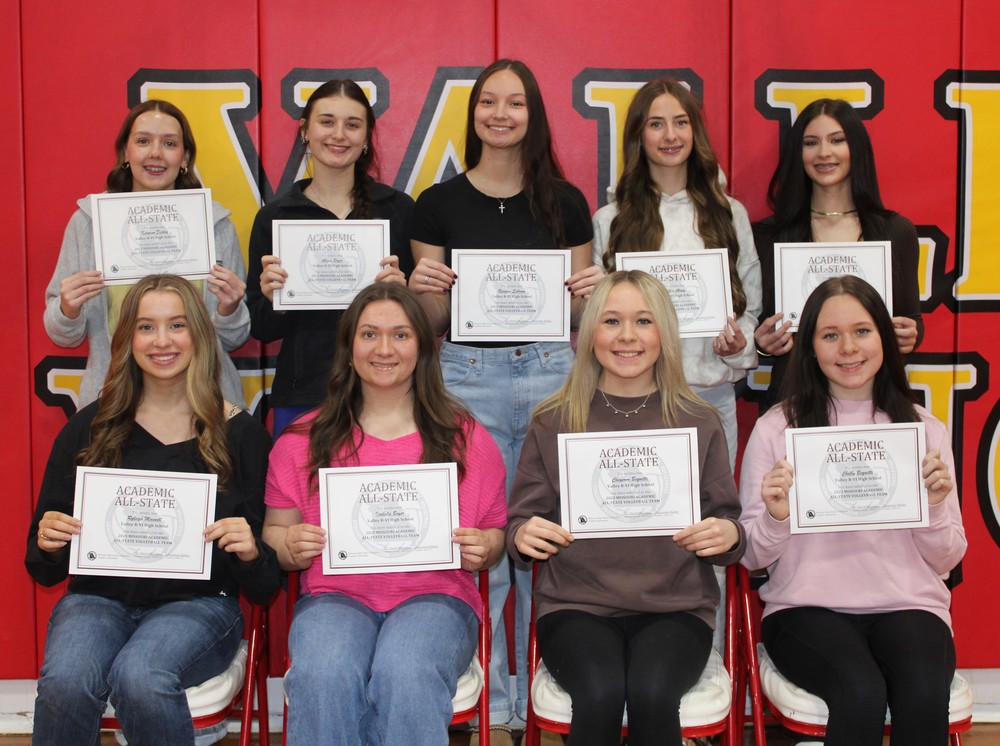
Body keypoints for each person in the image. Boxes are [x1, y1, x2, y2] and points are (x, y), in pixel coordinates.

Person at [408, 58, 603, 738]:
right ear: (474, 115)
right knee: (482, 542)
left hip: (551, 372)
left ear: (532, 115)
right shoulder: (437, 204)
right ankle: (490, 703)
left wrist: (590, 297)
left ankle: (544, 688)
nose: (500, 114)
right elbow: (431, 322)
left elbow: (578, 319)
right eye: (488, 102)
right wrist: (421, 291)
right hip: (464, 376)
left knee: (550, 541)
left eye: (514, 103)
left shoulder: (566, 203)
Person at [27, 274, 279, 746]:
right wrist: (50, 540)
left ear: (199, 335)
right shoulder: (89, 428)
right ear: (127, 339)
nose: (162, 341)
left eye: (176, 325)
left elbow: (266, 585)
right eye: (146, 327)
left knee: (140, 676)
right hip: (97, 600)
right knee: (66, 682)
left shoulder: (241, 435)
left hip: (200, 605)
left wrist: (249, 552)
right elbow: (42, 567)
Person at [507, 270, 746, 746]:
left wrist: (728, 535)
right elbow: (519, 524)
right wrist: (523, 535)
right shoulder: (553, 420)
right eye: (612, 321)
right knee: (599, 692)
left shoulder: (700, 421)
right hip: (576, 606)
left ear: (665, 333)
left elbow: (729, 524)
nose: (627, 336)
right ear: (589, 332)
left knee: (652, 692)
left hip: (677, 609)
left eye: (644, 321)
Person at [262, 283, 507, 746]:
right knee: (323, 672)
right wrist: (288, 546)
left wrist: (485, 546)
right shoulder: (301, 440)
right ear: (348, 346)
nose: (384, 349)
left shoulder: (468, 438)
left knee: (406, 670)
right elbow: (275, 531)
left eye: (401, 335)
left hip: (436, 597)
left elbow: (494, 533)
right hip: (334, 597)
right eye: (370, 334)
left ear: (423, 347)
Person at [739, 276, 965, 746]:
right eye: (830, 335)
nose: (848, 348)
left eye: (862, 331)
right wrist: (778, 516)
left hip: (909, 605)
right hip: (805, 609)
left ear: (884, 336)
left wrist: (934, 507)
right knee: (860, 691)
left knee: (923, 691)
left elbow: (947, 560)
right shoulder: (777, 429)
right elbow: (752, 558)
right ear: (810, 347)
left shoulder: (924, 429)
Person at [592, 77, 761, 469]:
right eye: (656, 124)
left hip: (709, 396)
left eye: (681, 122)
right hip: (632, 397)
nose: (670, 135)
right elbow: (599, 319)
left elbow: (750, 307)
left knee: (711, 504)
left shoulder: (730, 215)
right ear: (639, 136)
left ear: (695, 131)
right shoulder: (611, 220)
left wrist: (737, 347)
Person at [44, 100, 251, 410]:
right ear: (125, 153)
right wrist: (68, 309)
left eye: (169, 143)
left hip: (204, 403)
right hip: (116, 403)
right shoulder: (88, 222)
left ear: (185, 158)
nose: (156, 153)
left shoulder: (215, 224)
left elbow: (235, 338)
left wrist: (230, 309)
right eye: (143, 141)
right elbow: (63, 335)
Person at [247, 80, 415, 437]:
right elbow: (261, 328)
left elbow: (422, 323)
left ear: (366, 137)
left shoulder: (398, 210)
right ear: (305, 130)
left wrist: (403, 295)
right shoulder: (275, 218)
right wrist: (273, 298)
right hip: (303, 392)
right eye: (326, 122)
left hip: (387, 393)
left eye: (352, 124)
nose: (339, 134)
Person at [753, 98, 924, 410]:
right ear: (798, 153)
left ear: (856, 148)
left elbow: (911, 320)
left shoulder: (895, 232)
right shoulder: (768, 236)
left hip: (877, 402)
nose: (824, 153)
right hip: (792, 400)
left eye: (837, 140)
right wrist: (763, 345)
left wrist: (910, 334)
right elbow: (758, 327)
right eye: (811, 143)